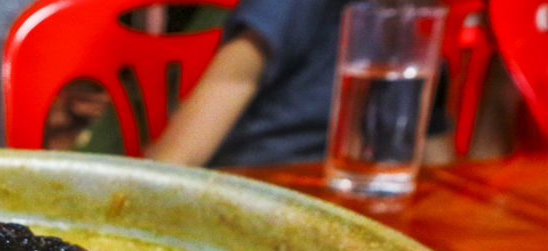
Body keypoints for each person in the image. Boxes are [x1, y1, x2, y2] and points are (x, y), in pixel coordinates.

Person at [147, 0, 446, 168]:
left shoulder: (422, 26)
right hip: (260, 178)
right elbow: (227, 84)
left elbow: (435, 152)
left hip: (361, 203)